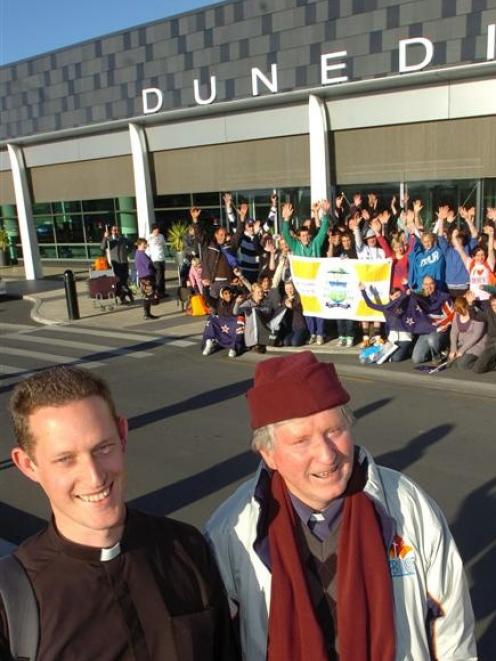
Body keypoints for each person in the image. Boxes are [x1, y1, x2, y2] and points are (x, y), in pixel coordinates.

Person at [205, 352, 476, 661]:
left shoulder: (408, 505)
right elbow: (217, 642)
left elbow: (450, 625)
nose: (326, 455)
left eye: (335, 430)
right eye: (301, 441)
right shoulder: (232, 531)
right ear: (269, 455)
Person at [2, 366, 236, 660]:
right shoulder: (11, 598)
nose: (94, 476)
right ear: (27, 465)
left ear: (123, 435)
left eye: (103, 448)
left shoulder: (187, 549)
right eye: (65, 459)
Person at [449, 296, 487, 369]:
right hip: (463, 344)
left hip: (477, 344)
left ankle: (485, 362)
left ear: (466, 307)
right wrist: (453, 348)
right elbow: (454, 332)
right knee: (452, 363)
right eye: (457, 310)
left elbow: (476, 336)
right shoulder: (457, 314)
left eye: (460, 310)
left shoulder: (477, 314)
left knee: (462, 365)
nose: (458, 313)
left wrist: (461, 350)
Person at [100, 225, 134, 304]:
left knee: (125, 280)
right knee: (118, 281)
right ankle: (123, 298)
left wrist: (127, 252)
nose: (116, 232)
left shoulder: (122, 239)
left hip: (124, 262)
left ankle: (129, 294)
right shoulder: (109, 240)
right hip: (115, 263)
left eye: (117, 230)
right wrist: (105, 237)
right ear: (111, 231)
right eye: (114, 230)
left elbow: (131, 245)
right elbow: (102, 247)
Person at [134, 238, 159, 320]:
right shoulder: (141, 254)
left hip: (144, 276)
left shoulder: (139, 253)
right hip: (146, 276)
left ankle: (147, 313)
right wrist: (154, 267)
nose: (146, 245)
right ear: (140, 245)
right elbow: (148, 264)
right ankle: (147, 314)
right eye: (144, 244)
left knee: (147, 295)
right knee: (149, 295)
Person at [146, 223, 169, 298]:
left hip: (162, 258)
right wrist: (149, 257)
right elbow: (147, 249)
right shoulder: (149, 237)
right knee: (158, 277)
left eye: (158, 230)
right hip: (155, 259)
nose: (157, 232)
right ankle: (158, 292)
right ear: (153, 230)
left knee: (162, 276)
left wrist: (166, 254)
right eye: (156, 230)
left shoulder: (161, 236)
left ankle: (163, 292)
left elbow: (164, 246)